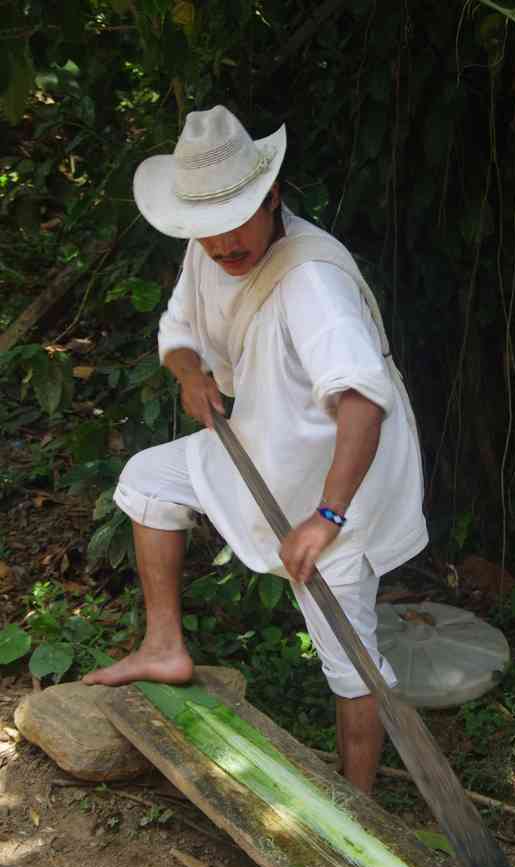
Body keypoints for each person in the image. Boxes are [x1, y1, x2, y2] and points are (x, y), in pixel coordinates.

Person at [83, 105, 428, 793]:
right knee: (149, 480)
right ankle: (164, 645)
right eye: (207, 230)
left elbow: (362, 402)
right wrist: (191, 376)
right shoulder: (209, 244)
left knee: (350, 658)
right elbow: (178, 331)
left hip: (343, 480)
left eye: (238, 220)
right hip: (262, 450)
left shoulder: (313, 283)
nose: (223, 244)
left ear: (272, 196)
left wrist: (326, 515)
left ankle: (357, 808)